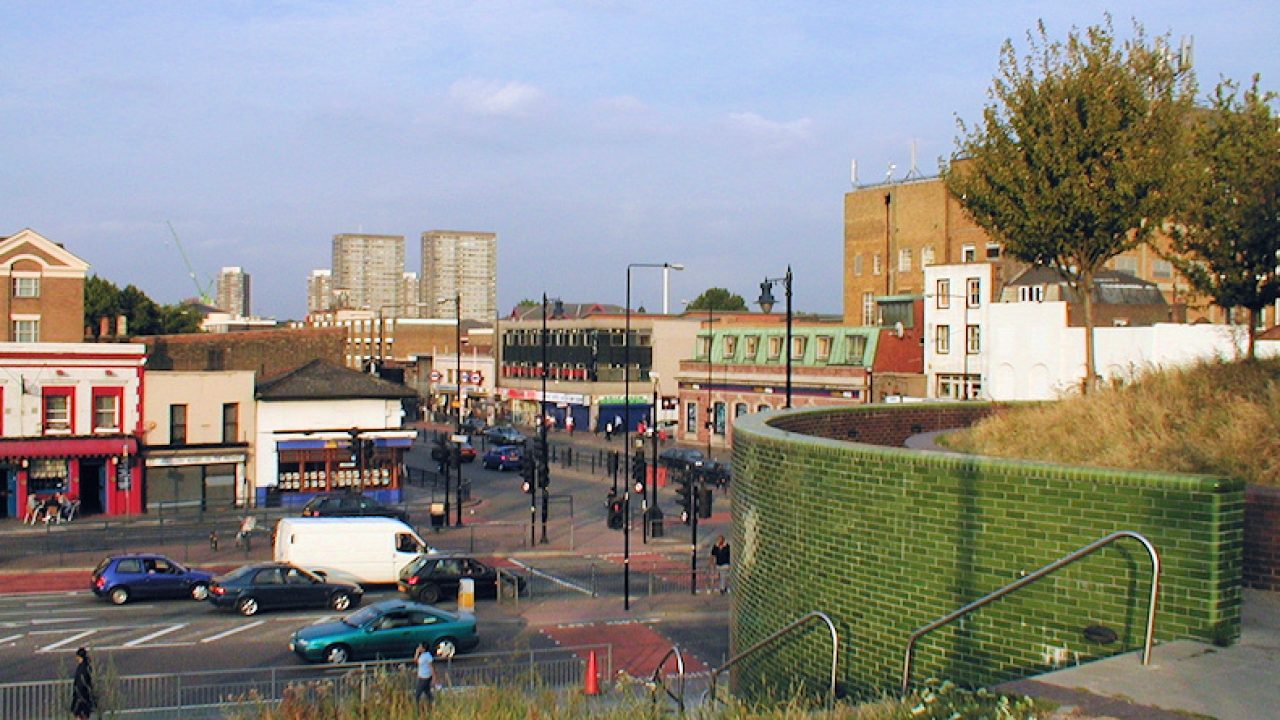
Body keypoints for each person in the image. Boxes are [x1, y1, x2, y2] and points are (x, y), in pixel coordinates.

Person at [70, 646, 95, 719]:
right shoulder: (86, 666)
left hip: (81, 697)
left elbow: (81, 683)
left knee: (81, 716)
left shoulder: (82, 668)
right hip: (84, 697)